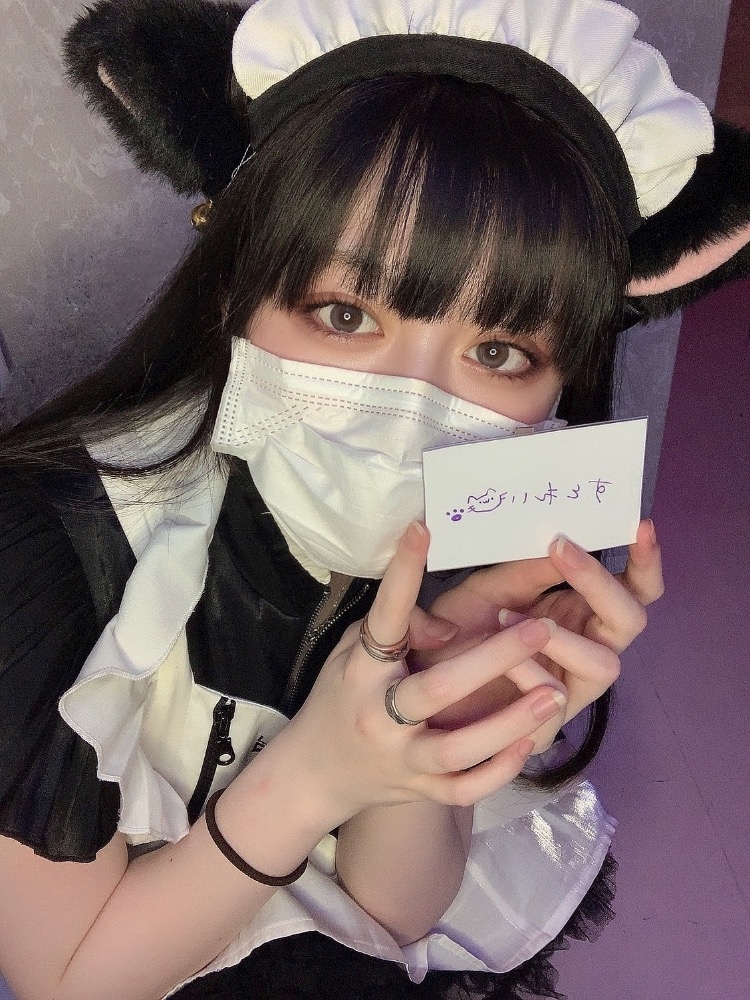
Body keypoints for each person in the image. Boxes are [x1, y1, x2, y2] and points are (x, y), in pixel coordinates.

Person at [1, 1, 750, 999]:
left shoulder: (488, 541)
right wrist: (313, 774)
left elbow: (394, 913)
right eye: (346, 313)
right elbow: (68, 982)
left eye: (500, 350)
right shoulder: (49, 550)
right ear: (236, 288)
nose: (413, 408)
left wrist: (440, 700)